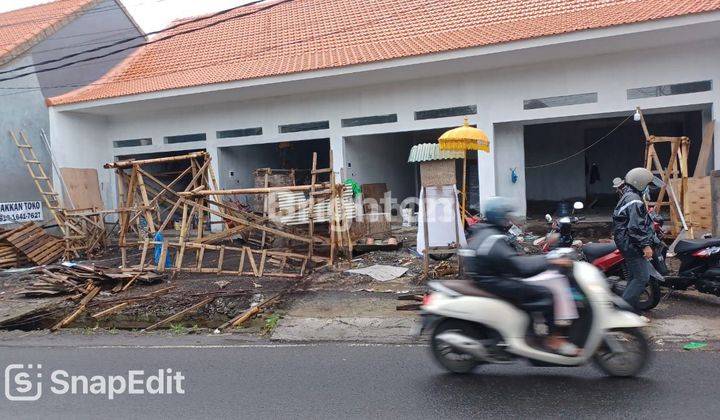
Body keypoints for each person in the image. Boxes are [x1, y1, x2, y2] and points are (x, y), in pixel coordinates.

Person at [464, 197, 580, 356]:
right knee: (546, 294)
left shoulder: (487, 231)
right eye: (507, 215)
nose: (510, 219)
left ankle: (532, 331)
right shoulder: (493, 239)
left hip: (492, 275)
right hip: (494, 281)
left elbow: (515, 252)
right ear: (500, 217)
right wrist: (549, 260)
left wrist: (544, 247)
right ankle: (552, 339)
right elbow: (520, 268)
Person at [612, 167, 655, 311]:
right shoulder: (634, 200)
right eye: (648, 185)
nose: (648, 188)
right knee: (642, 278)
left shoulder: (628, 196)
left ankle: (631, 311)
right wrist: (645, 246)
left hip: (626, 243)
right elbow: (635, 227)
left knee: (633, 278)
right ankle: (621, 312)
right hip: (632, 245)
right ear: (640, 183)